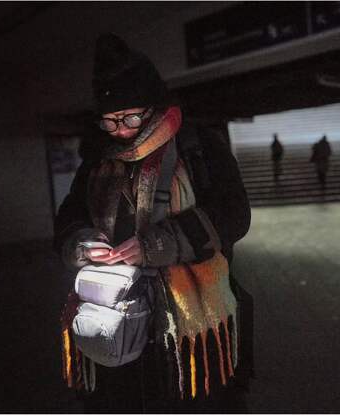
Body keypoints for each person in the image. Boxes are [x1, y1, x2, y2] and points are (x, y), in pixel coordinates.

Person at [53, 34, 251, 413]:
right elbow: (69, 216)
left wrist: (160, 243)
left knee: (192, 401)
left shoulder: (198, 146)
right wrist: (81, 241)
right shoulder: (97, 159)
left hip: (189, 325)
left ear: (154, 106)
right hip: (112, 315)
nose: (121, 130)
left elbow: (235, 214)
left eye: (131, 117)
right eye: (110, 121)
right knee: (119, 399)